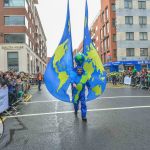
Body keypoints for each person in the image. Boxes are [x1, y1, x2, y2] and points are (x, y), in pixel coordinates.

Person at [71, 54, 90, 122]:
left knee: (83, 103)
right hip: (75, 91)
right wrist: (73, 83)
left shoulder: (85, 73)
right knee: (75, 103)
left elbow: (87, 82)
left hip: (82, 91)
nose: (79, 71)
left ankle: (83, 116)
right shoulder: (73, 71)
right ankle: (76, 109)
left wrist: (90, 87)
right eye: (78, 70)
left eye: (80, 70)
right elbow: (72, 78)